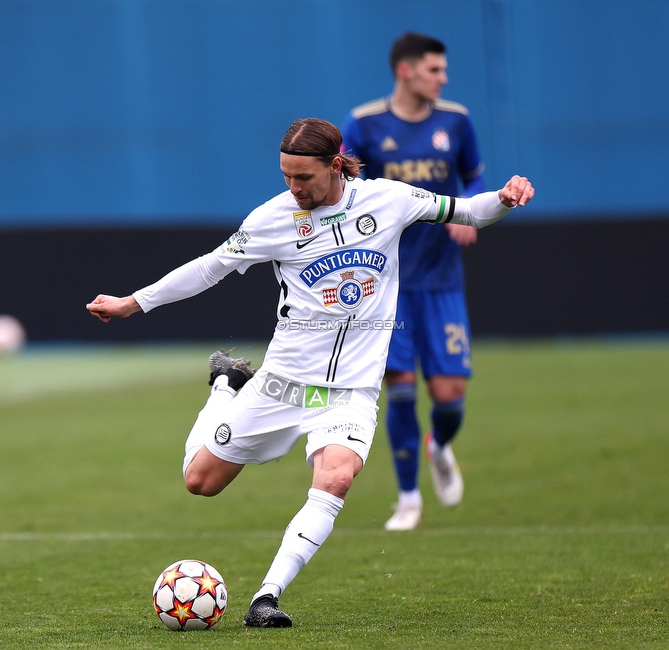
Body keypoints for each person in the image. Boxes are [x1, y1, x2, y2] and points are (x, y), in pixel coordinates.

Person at [86, 118, 533, 627]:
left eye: (304, 178)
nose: (294, 188)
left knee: (337, 476)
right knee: (199, 481)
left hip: (351, 389)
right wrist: (132, 303)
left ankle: (265, 598)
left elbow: (469, 212)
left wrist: (505, 195)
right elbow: (210, 267)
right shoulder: (272, 219)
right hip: (284, 383)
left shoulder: (387, 199)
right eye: (286, 177)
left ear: (336, 165)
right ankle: (226, 385)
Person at [341, 32, 488, 531]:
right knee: (399, 385)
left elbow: (474, 179)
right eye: (434, 70)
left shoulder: (457, 121)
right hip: (387, 286)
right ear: (405, 71)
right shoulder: (363, 125)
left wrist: (466, 212)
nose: (443, 79)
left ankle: (439, 444)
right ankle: (407, 499)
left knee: (448, 395)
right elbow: (342, 186)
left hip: (443, 280)